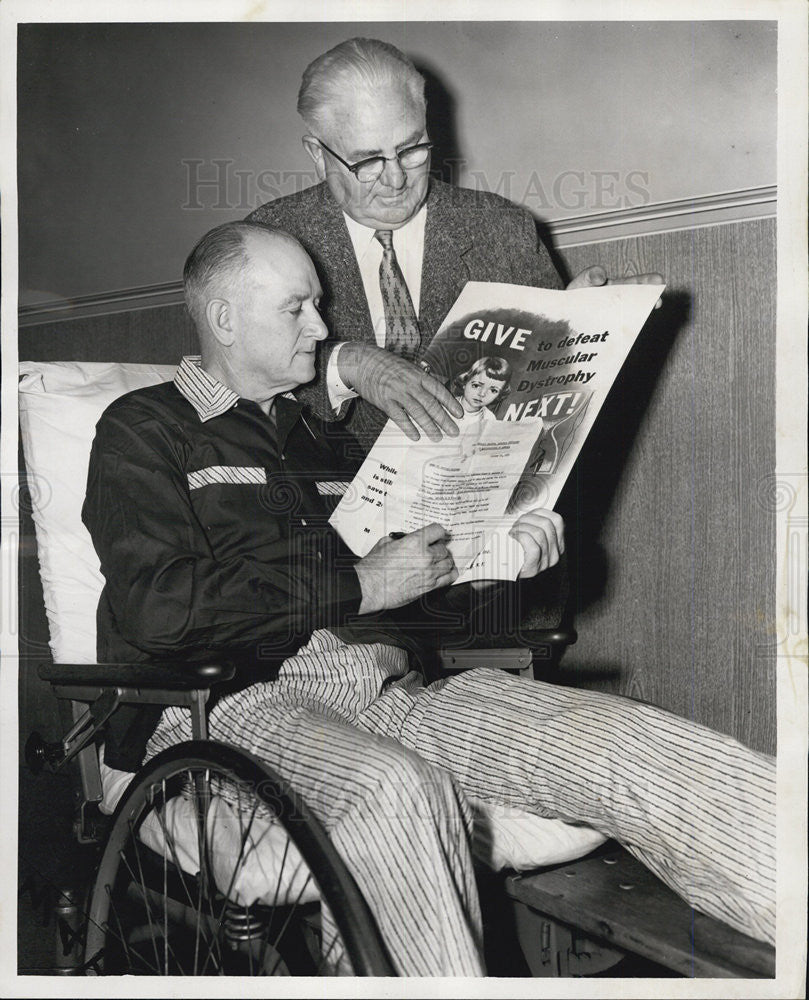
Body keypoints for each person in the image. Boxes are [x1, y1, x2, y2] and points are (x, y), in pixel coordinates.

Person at [83, 222, 775, 976]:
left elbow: (413, 611)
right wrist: (358, 583)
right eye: (297, 308)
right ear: (223, 319)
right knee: (395, 791)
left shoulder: (331, 450)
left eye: (318, 304)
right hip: (230, 702)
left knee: (629, 742)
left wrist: (489, 573)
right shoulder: (145, 430)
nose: (321, 328)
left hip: (392, 689)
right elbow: (159, 607)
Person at [246, 37, 663, 453]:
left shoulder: (503, 228)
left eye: (411, 149)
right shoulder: (269, 237)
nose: (396, 179)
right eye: (368, 161)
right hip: (320, 500)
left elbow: (543, 393)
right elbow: (244, 368)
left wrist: (579, 329)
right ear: (318, 154)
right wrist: (348, 362)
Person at [450, 356, 511, 464]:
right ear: (465, 382)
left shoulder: (489, 418)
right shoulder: (448, 404)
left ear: (499, 395)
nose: (482, 394)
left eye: (493, 390)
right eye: (476, 385)